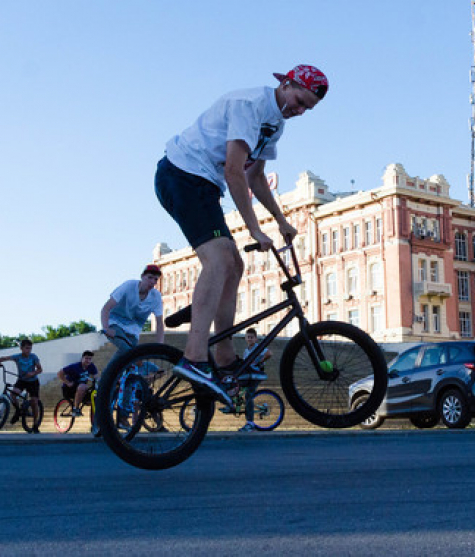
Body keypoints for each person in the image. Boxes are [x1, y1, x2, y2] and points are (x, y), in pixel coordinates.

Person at [154, 65, 328, 408]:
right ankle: (194, 358)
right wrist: (253, 228)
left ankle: (222, 356)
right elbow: (235, 171)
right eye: (298, 100)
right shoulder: (251, 105)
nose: (299, 110)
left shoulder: (275, 123)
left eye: (307, 108)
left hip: (203, 185)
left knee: (234, 264)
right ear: (286, 83)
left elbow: (256, 177)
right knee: (219, 259)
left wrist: (281, 220)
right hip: (182, 174)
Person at [101, 264, 165, 428]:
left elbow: (159, 322)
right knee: (129, 354)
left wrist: (160, 345)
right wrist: (107, 327)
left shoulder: (155, 296)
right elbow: (106, 308)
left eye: (155, 280)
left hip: (132, 333)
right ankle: (109, 379)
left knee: (128, 373)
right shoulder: (129, 286)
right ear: (142, 277)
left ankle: (122, 416)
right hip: (115, 326)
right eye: (150, 278)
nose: (152, 282)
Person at [227, 327, 273, 432]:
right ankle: (232, 405)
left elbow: (269, 353)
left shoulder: (258, 347)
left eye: (252, 337)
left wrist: (260, 362)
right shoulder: (246, 350)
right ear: (245, 339)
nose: (250, 339)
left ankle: (250, 423)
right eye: (248, 337)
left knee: (248, 395)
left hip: (256, 375)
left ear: (256, 339)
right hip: (249, 375)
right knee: (235, 385)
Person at [0, 339, 42, 433]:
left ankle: (35, 424)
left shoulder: (33, 357)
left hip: (33, 381)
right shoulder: (17, 357)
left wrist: (32, 373)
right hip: (22, 380)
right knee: (13, 395)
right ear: (21, 348)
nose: (29, 350)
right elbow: (5, 358)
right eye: (27, 348)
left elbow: (40, 369)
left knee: (34, 402)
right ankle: (18, 410)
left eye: (30, 348)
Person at [58, 351, 98, 417]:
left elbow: (96, 377)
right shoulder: (74, 366)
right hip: (69, 389)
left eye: (90, 359)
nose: (88, 361)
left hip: (81, 389)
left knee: (92, 397)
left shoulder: (92, 366)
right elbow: (60, 373)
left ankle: (95, 420)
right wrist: (67, 382)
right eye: (86, 358)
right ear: (82, 358)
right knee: (83, 386)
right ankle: (75, 409)